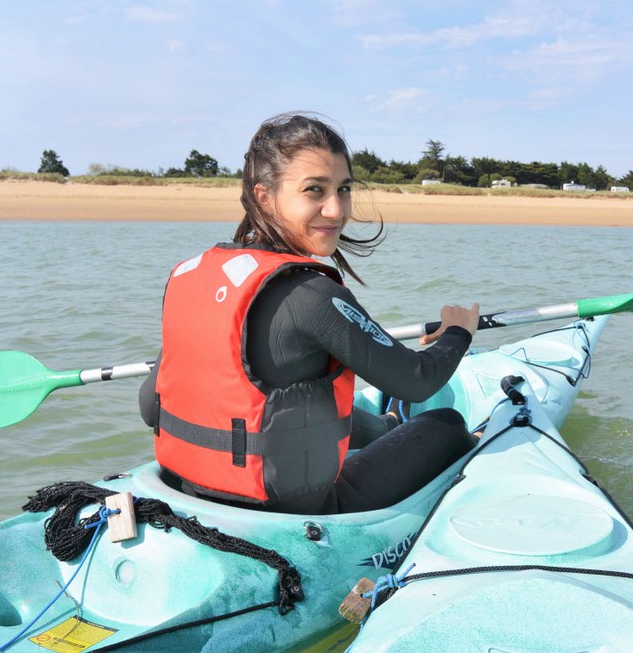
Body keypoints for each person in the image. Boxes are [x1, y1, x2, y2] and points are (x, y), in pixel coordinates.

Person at [139, 112, 479, 514]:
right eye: (315, 190)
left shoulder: (190, 276)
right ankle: (397, 430)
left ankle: (386, 426)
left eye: (344, 189)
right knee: (446, 425)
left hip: (187, 489)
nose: (335, 210)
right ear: (264, 196)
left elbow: (150, 405)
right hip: (295, 512)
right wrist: (459, 333)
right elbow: (418, 381)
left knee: (304, 409)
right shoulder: (311, 294)